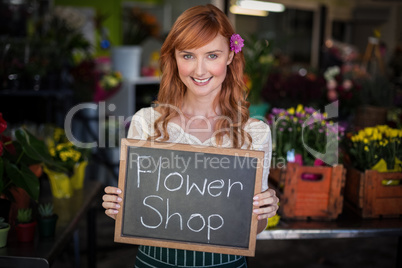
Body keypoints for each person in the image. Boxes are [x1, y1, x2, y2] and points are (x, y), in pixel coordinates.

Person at [102, 4, 279, 267]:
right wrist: (118, 209)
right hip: (154, 262)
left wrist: (265, 211)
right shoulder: (146, 123)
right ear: (173, 57)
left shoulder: (254, 133)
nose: (199, 70)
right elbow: (135, 217)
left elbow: (253, 227)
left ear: (230, 56)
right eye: (187, 56)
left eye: (212, 55)